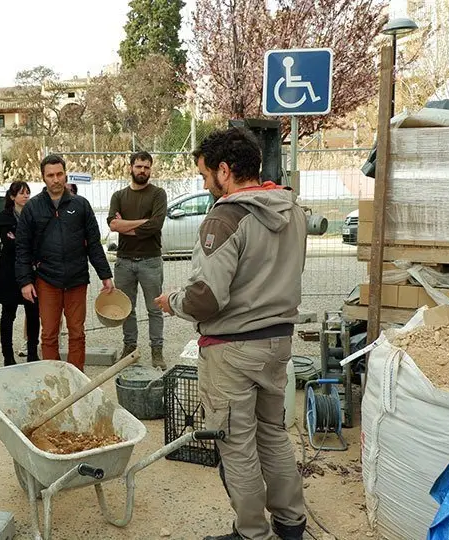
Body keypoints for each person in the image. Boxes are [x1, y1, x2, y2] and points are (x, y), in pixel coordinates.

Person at [154, 128, 308, 540]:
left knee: (235, 445)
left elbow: (206, 298)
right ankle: (291, 522)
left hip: (231, 350)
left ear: (224, 170)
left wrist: (173, 302)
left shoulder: (225, 217)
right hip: (277, 344)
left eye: (206, 175)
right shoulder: (293, 211)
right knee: (272, 433)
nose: (205, 186)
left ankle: (251, 532)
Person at [15, 155, 114, 371]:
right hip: (47, 280)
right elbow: (22, 248)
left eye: (59, 174)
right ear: (43, 177)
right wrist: (24, 281)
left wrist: (105, 275)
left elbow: (94, 244)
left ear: (65, 175)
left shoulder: (81, 205)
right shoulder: (32, 209)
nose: (55, 179)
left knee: (77, 333)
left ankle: (77, 378)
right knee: (49, 334)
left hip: (77, 280)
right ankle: (53, 377)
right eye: (50, 175)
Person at [107, 151, 168, 369]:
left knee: (155, 309)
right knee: (127, 309)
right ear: (131, 167)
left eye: (146, 167)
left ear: (150, 169)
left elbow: (156, 225)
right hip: (124, 261)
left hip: (150, 260)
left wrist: (127, 226)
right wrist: (143, 223)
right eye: (139, 166)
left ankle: (157, 351)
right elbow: (113, 225)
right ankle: (130, 347)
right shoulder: (119, 196)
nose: (142, 170)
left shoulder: (158, 194)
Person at [0, 181, 39, 366]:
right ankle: (7, 355)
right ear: (12, 196)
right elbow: (10, 243)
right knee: (8, 313)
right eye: (21, 193)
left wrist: (20, 239)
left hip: (30, 269)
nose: (25, 196)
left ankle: (33, 352)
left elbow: (36, 241)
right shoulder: (5, 217)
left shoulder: (33, 214)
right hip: (8, 271)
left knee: (33, 313)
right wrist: (25, 241)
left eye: (27, 192)